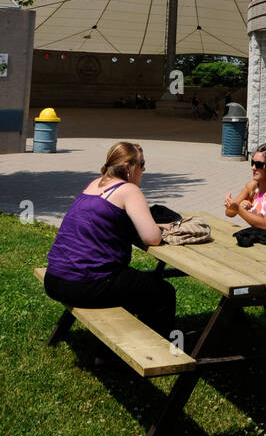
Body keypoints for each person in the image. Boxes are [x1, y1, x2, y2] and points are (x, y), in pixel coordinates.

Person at [44, 140, 175, 366]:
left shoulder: (95, 184)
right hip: (83, 283)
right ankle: (155, 355)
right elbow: (151, 238)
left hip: (55, 278)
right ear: (128, 167)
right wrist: (159, 227)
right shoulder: (128, 190)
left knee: (131, 285)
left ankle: (106, 352)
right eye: (142, 165)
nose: (144, 170)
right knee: (162, 291)